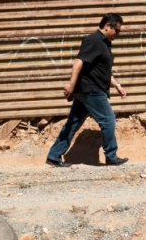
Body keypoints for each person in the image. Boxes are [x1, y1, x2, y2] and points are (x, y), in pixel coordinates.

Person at [46, 13, 128, 167]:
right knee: (108, 120)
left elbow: (102, 71)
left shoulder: (104, 43)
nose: (118, 34)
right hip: (92, 90)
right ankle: (111, 156)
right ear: (107, 26)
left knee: (72, 123)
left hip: (88, 90)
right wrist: (71, 84)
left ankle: (53, 156)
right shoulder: (94, 40)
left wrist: (117, 85)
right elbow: (79, 61)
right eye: (116, 30)